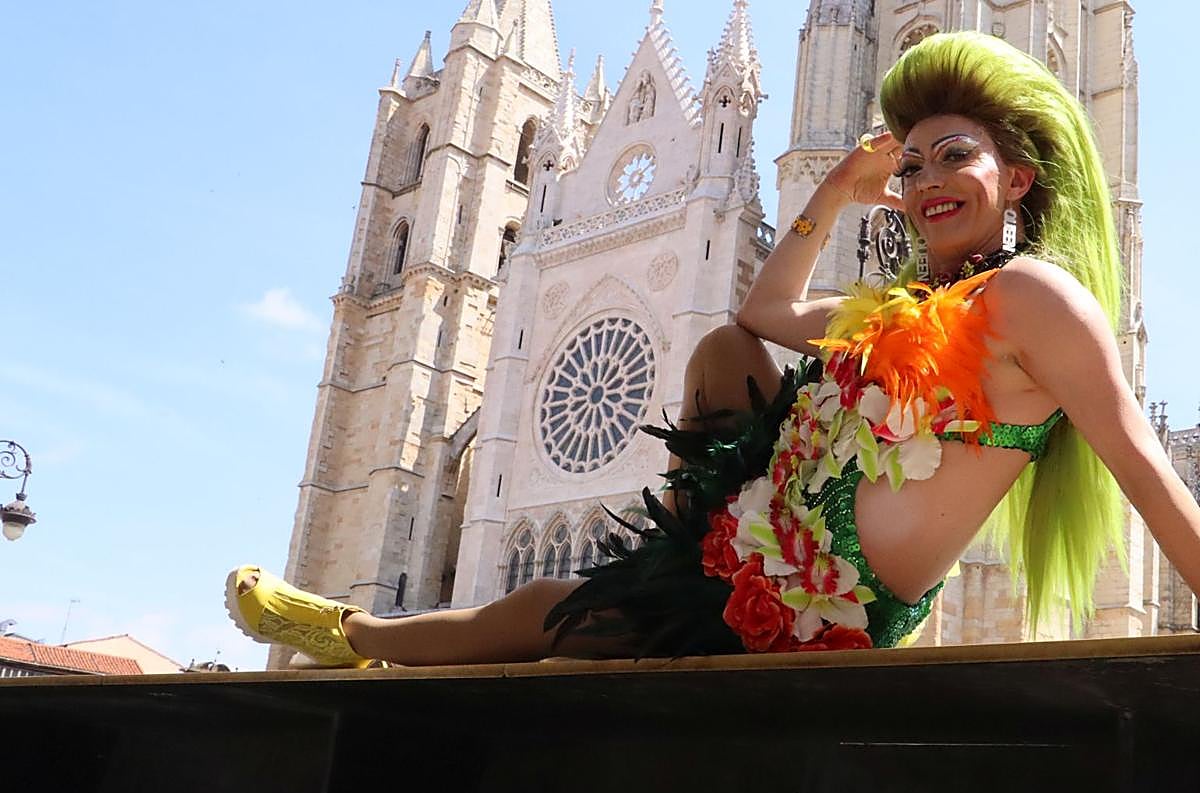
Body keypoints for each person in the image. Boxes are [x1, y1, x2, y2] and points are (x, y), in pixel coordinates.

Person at [227, 31, 1200, 668]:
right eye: (913, 164)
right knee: (721, 349)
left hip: (821, 606)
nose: (927, 178)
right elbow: (770, 315)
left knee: (550, 614)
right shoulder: (904, 306)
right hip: (756, 539)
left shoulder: (1033, 299)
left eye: (956, 156)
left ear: (1020, 177)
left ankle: (352, 634)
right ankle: (674, 547)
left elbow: (1148, 474)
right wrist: (835, 192)